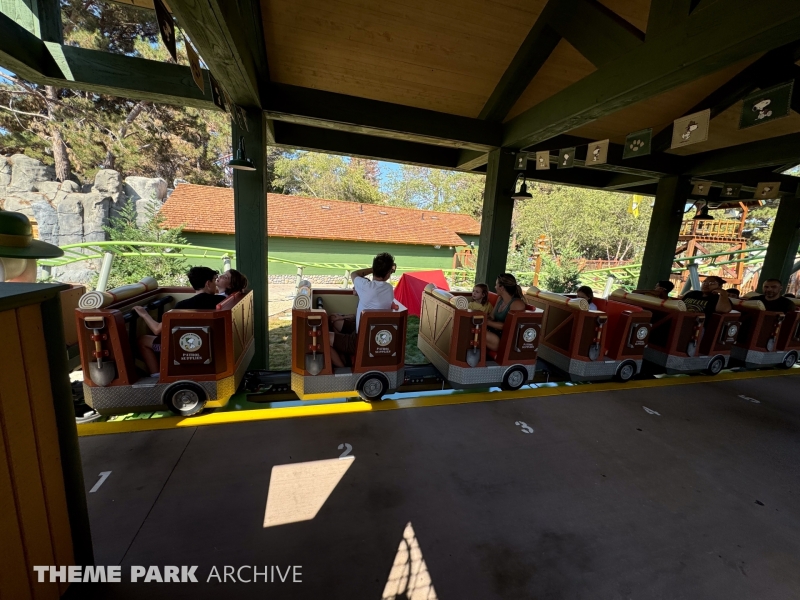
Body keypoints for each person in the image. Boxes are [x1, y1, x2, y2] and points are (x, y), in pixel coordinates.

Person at [134, 266, 225, 376]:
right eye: (214, 281)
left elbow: (157, 330)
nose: (216, 284)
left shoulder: (182, 305)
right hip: (215, 347)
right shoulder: (222, 301)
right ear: (208, 283)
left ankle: (156, 375)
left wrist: (144, 314)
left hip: (183, 349)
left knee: (143, 340)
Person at [328, 252, 396, 368]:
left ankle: (343, 368)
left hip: (360, 340)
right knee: (335, 320)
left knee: (322, 338)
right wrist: (343, 317)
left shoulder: (365, 286)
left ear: (375, 269)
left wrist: (373, 269)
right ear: (388, 274)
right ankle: (344, 354)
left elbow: (354, 273)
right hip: (371, 335)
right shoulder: (389, 289)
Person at [486, 273, 527, 352]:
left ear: (501, 288)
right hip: (494, 331)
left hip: (505, 338)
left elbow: (508, 326)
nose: (495, 287)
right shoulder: (500, 299)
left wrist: (485, 322)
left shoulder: (517, 304)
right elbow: (492, 316)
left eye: (496, 285)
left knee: (476, 333)